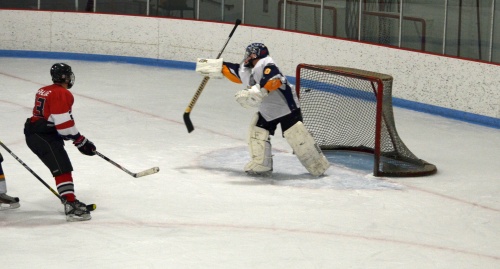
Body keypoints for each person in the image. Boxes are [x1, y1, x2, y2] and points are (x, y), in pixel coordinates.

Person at [196, 43, 330, 176]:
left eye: (248, 55)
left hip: (287, 108)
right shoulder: (250, 70)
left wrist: (259, 91)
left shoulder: (267, 65)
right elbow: (234, 71)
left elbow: (274, 80)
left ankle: (317, 164)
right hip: (268, 111)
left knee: (297, 136)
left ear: (254, 55)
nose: (246, 58)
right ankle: (262, 164)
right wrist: (216, 66)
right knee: (257, 131)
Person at [24, 63, 96, 222]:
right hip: (41, 135)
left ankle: (69, 200)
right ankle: (71, 205)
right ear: (65, 77)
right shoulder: (62, 93)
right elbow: (63, 125)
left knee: (62, 165)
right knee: (62, 167)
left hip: (39, 132)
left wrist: (76, 139)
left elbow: (54, 120)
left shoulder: (45, 89)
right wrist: (79, 140)